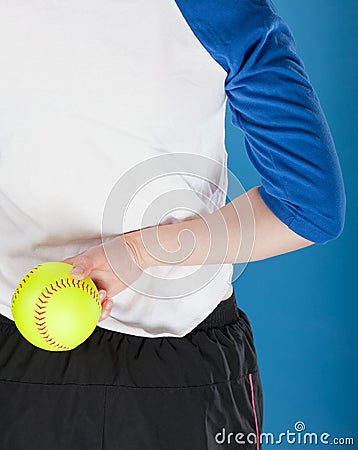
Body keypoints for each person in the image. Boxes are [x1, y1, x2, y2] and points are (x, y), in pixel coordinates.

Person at [0, 0, 345, 449]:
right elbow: (307, 208)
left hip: (31, 342)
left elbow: (311, 209)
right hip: (176, 372)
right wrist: (142, 252)